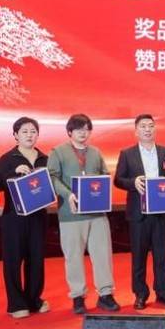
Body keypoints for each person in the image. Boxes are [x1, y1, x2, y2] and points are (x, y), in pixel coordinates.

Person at [48, 113, 120, 314]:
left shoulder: (95, 152)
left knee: (103, 255)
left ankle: (105, 294)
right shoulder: (58, 152)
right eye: (79, 129)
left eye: (87, 129)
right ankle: (78, 297)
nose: (83, 133)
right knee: (73, 257)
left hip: (97, 213)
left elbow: (104, 175)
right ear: (69, 131)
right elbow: (52, 177)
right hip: (70, 214)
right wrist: (68, 194)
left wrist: (102, 190)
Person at [115, 114, 165, 309]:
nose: (148, 129)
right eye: (143, 126)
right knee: (139, 257)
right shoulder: (127, 154)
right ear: (136, 131)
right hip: (138, 214)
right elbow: (118, 179)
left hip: (160, 212)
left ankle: (163, 292)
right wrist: (133, 183)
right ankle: (140, 294)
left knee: (161, 256)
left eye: (151, 126)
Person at [0, 117, 49, 317]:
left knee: (36, 259)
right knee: (13, 260)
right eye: (24, 131)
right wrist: (13, 172)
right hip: (14, 217)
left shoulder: (45, 159)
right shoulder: (8, 158)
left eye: (33, 131)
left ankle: (34, 300)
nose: (29, 135)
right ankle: (16, 304)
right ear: (15, 135)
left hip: (38, 216)